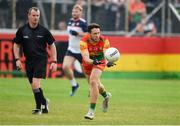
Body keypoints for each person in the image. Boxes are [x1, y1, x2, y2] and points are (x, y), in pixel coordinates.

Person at [13, 7, 57, 115]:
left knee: (36, 84)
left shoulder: (44, 31)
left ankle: (38, 108)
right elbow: (16, 44)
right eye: (33, 15)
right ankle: (45, 102)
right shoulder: (22, 30)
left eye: (37, 16)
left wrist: (54, 61)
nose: (36, 18)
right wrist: (17, 59)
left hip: (41, 60)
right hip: (29, 61)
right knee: (34, 85)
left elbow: (52, 45)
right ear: (28, 16)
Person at [80, 23, 115, 120]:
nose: (97, 35)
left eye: (98, 33)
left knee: (93, 81)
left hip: (100, 61)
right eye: (95, 33)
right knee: (96, 85)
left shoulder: (104, 40)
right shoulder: (83, 41)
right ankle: (106, 96)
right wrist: (92, 61)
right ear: (89, 34)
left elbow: (106, 54)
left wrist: (108, 62)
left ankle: (91, 112)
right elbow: (86, 58)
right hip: (88, 63)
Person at [62, 4, 88, 96]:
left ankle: (91, 88)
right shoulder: (70, 21)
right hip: (71, 49)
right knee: (65, 67)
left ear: (81, 13)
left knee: (86, 72)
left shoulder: (83, 22)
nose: (74, 13)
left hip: (82, 51)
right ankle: (74, 85)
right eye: (73, 11)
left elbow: (88, 35)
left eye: (76, 11)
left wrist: (77, 33)